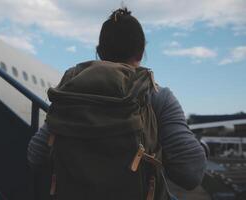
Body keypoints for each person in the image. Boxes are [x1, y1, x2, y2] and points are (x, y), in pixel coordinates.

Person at [27, 7, 207, 200]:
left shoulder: (70, 94)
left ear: (99, 52)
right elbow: (190, 174)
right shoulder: (156, 97)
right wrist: (202, 148)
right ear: (141, 52)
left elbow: (35, 155)